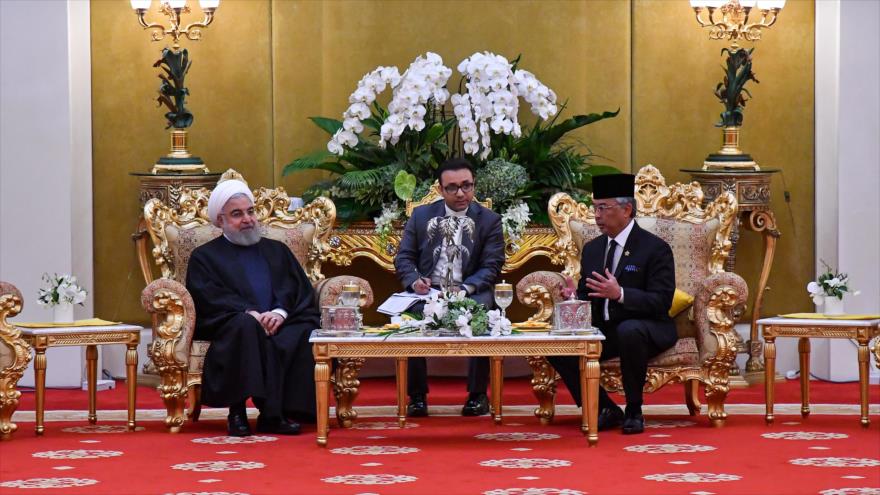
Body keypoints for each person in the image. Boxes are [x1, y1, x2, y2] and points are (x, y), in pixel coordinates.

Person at [186, 178, 321, 437]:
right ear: (220, 221)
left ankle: (275, 413)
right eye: (237, 214)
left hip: (278, 323)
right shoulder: (205, 256)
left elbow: (298, 291)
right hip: (234, 324)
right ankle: (236, 413)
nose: (247, 219)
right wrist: (250, 313)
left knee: (306, 328)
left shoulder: (277, 250)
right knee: (245, 327)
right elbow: (209, 298)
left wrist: (279, 313)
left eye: (250, 211)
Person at [547, 173, 677, 434]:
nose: (596, 215)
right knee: (557, 346)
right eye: (595, 208)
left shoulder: (655, 248)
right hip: (606, 330)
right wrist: (573, 296)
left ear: (626, 209)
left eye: (603, 208)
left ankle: (633, 410)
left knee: (629, 330)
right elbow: (588, 294)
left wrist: (620, 294)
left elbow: (661, 301)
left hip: (649, 327)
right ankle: (605, 407)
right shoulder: (594, 248)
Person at [394, 157, 505, 417]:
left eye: (467, 186)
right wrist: (414, 281)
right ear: (441, 190)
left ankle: (477, 395)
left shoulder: (489, 220)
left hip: (469, 290)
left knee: (481, 313)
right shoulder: (422, 216)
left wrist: (465, 289)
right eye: (453, 188)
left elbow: (492, 266)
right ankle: (417, 396)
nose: (461, 193)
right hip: (429, 290)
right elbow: (404, 257)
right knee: (411, 318)